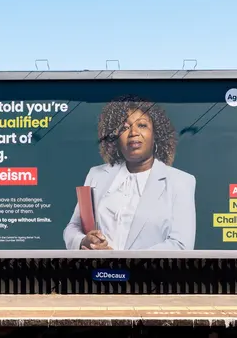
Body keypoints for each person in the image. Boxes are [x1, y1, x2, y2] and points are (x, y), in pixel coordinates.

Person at [63, 95, 196, 251]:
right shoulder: (96, 175)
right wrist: (83, 241)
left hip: (149, 275)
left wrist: (119, 260)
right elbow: (73, 227)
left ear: (156, 134)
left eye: (142, 125)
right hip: (97, 273)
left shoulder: (181, 181)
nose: (133, 132)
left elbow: (181, 245)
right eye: (124, 128)